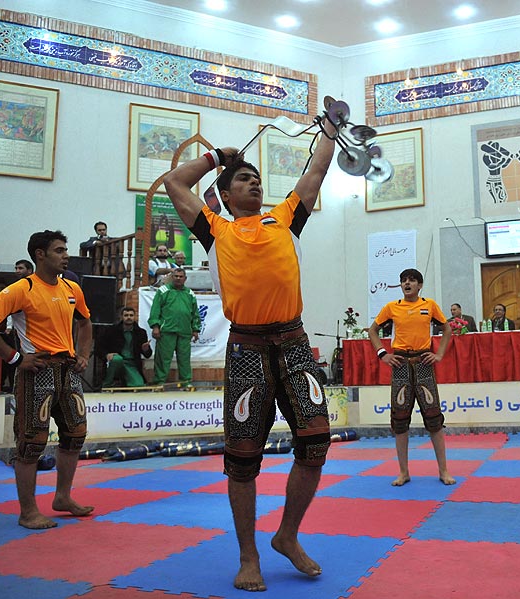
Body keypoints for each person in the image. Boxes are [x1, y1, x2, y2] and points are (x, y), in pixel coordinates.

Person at [162, 117, 336, 591]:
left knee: (316, 443)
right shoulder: (213, 228)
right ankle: (248, 555)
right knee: (242, 458)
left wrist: (331, 129)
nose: (254, 182)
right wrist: (219, 157)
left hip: (295, 344)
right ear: (225, 193)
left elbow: (318, 167)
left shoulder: (285, 217)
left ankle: (287, 535)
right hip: (247, 350)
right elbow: (174, 182)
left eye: (258, 178)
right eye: (244, 178)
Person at [0, 230, 94, 529]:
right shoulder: (21, 289)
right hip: (36, 371)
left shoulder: (71, 288)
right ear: (40, 254)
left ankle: (62, 498)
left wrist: (83, 354)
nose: (66, 255)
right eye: (60, 250)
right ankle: (28, 512)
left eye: (65, 250)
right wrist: (14, 358)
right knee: (30, 443)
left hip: (67, 371)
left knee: (75, 435)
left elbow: (85, 321)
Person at [367, 268, 456, 487]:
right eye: (404, 281)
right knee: (399, 421)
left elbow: (446, 329)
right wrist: (383, 354)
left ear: (420, 285)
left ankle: (444, 471)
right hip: (400, 365)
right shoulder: (392, 307)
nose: (407, 283)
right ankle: (403, 472)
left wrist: (439, 354)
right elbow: (372, 331)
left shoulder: (429, 305)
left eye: (412, 280)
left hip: (424, 364)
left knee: (434, 419)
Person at [148, 268, 199, 385]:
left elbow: (195, 313)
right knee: (163, 359)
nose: (178, 278)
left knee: (184, 359)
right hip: (166, 331)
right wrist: (155, 326)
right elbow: (155, 310)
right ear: (172, 277)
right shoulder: (163, 291)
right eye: (176, 276)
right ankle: (159, 382)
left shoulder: (190, 293)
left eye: (181, 276)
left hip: (185, 331)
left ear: (185, 279)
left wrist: (195, 329)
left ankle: (186, 382)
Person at [97, 306, 152, 387]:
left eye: (131, 315)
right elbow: (99, 347)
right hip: (117, 361)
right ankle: (107, 384)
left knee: (138, 385)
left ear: (135, 317)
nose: (129, 317)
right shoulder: (111, 330)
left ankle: (125, 382)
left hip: (132, 364)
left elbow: (148, 355)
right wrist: (106, 355)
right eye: (126, 315)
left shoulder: (141, 333)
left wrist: (146, 349)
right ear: (121, 317)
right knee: (116, 359)